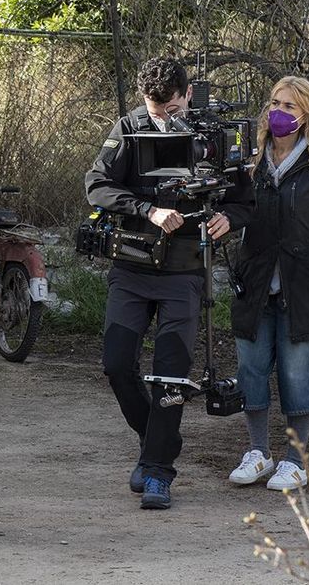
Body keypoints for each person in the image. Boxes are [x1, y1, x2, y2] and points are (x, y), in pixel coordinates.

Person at [84, 57, 252, 509]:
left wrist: (228, 219)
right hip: (132, 267)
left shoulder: (214, 132)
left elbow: (245, 200)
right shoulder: (128, 128)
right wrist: (147, 210)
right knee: (117, 364)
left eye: (173, 110)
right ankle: (158, 441)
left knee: (171, 375)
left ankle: (158, 472)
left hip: (183, 272)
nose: (164, 119)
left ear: (188, 94)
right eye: (156, 111)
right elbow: (96, 185)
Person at [227, 76, 309, 491]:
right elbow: (233, 210)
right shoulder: (249, 162)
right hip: (256, 283)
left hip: (304, 286)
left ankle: (295, 462)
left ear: (305, 115)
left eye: (289, 106)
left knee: (300, 374)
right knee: (251, 369)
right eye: (274, 102)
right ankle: (258, 453)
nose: (278, 112)